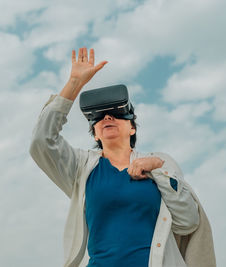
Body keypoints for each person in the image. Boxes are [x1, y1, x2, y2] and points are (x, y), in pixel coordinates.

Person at [29, 47, 215, 267]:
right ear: (95, 133)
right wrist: (75, 83)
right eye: (98, 117)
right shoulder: (82, 167)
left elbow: (187, 222)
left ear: (132, 128)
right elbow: (41, 140)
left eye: (118, 113)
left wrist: (157, 170)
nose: (108, 116)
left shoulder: (161, 163)